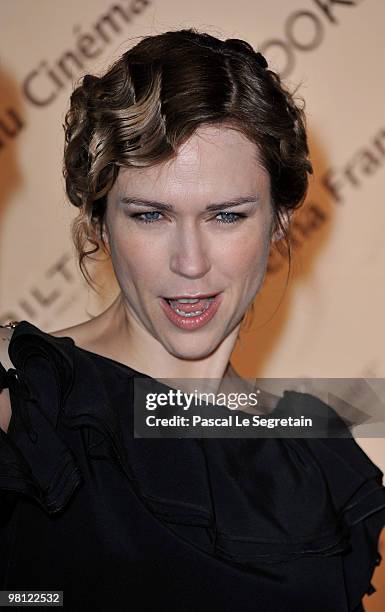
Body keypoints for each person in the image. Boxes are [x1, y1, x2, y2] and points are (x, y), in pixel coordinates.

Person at [0, 28, 384, 612]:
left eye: (226, 216)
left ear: (279, 219)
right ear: (100, 221)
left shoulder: (318, 462)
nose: (191, 262)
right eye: (151, 216)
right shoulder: (22, 399)